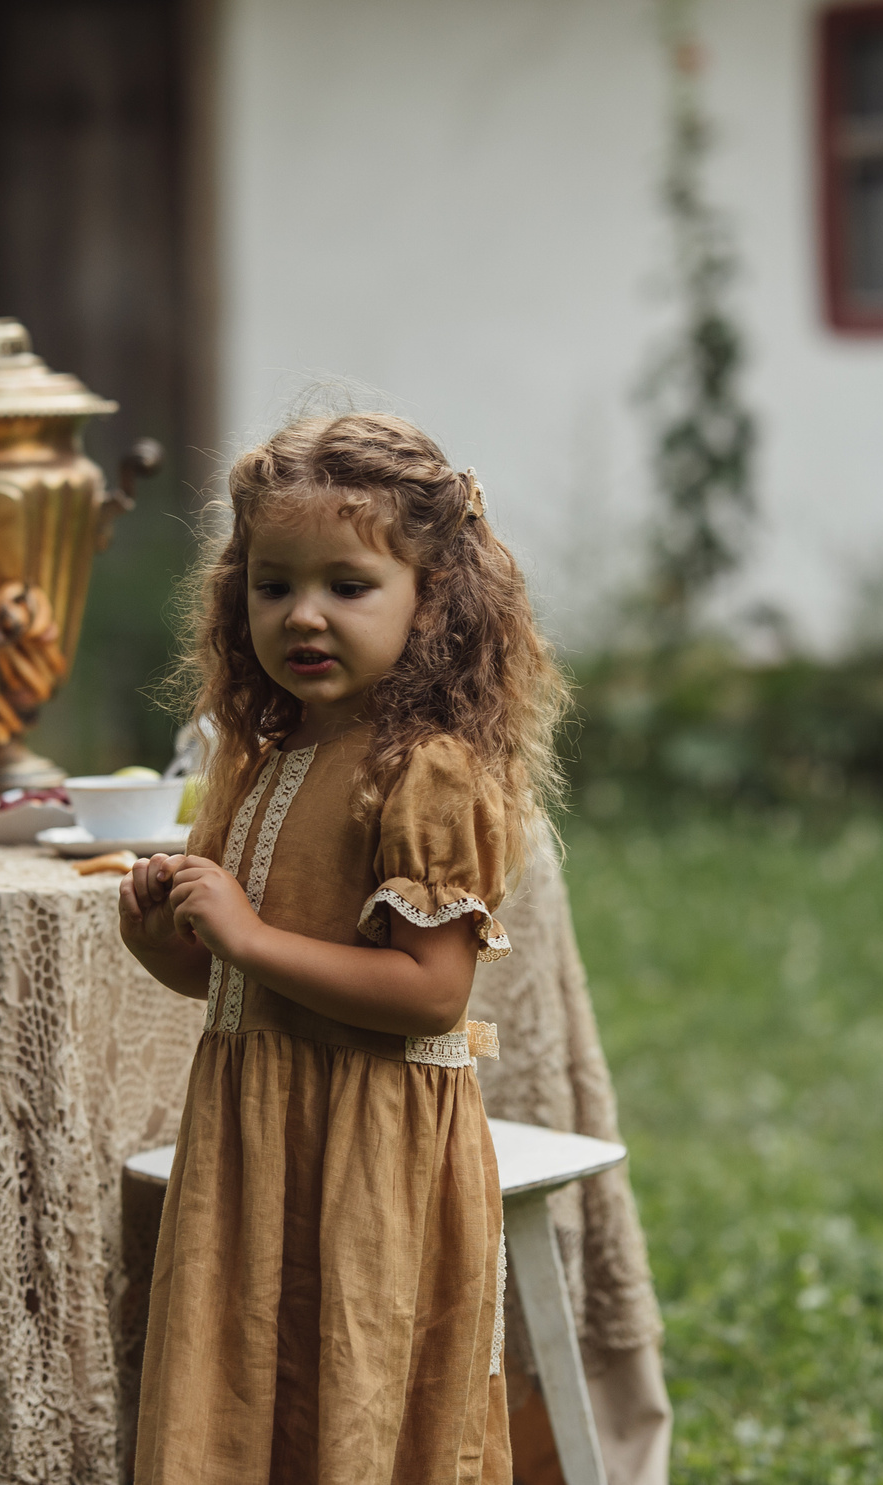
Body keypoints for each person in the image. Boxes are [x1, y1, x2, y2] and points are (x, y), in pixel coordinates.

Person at [118, 412, 568, 1485]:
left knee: (355, 1396)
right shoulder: (263, 758)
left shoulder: (428, 773)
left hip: (371, 1150)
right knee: (244, 1388)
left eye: (347, 585)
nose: (302, 614)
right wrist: (166, 941)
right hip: (252, 1136)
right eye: (272, 585)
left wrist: (247, 932)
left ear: (433, 600)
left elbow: (426, 992)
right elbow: (228, 974)